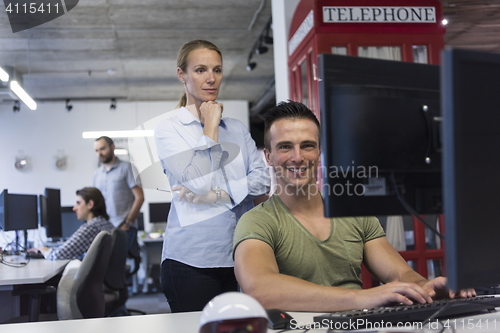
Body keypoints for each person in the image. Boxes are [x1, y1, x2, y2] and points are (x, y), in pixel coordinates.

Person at [233, 101, 475, 312]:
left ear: (319, 152)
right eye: (285, 146)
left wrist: (425, 287)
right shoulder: (257, 222)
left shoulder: (352, 212)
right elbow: (259, 289)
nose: (298, 157)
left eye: (307, 145)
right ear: (268, 156)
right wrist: (360, 297)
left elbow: (398, 274)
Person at [154, 39, 270, 312]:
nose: (211, 78)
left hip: (237, 255)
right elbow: (199, 182)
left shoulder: (238, 129)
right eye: (200, 70)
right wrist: (211, 127)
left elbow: (263, 181)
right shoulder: (169, 129)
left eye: (217, 70)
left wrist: (215, 195)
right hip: (191, 261)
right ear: (181, 74)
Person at [35, 187, 114, 260]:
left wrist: (44, 250)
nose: (74, 208)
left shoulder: (91, 227)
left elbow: (57, 255)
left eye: (78, 203)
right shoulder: (106, 224)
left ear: (90, 204)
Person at [93, 136, 144, 230]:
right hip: (104, 227)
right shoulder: (97, 173)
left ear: (112, 147)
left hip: (124, 227)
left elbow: (139, 197)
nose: (99, 153)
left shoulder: (127, 168)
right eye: (96, 150)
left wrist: (128, 223)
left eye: (102, 149)